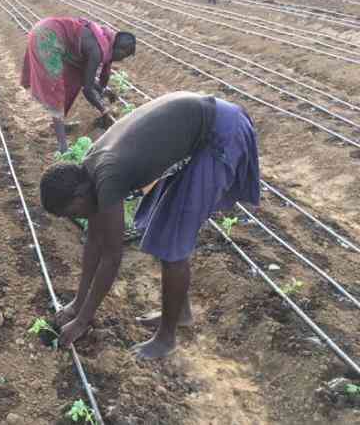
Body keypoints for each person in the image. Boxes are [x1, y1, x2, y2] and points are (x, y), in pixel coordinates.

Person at [39, 92, 260, 359]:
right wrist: (78, 304)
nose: (80, 217)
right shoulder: (88, 172)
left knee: (171, 246)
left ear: (79, 195)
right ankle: (181, 313)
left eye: (74, 212)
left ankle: (166, 339)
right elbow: (94, 240)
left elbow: (111, 255)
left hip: (222, 133)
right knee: (164, 229)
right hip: (205, 125)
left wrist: (84, 320)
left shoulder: (106, 175)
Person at [21, 17, 136, 153]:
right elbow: (87, 89)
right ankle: (63, 147)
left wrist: (102, 92)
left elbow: (86, 78)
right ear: (122, 50)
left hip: (47, 29)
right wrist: (103, 109)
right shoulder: (97, 51)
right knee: (55, 90)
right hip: (48, 37)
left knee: (67, 84)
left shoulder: (103, 40)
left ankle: (60, 125)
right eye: (124, 56)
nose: (121, 60)